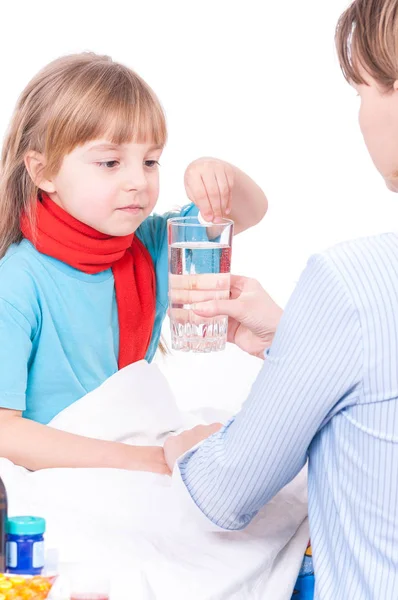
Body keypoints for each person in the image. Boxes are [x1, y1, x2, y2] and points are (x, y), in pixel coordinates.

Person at [164, 1, 398, 598]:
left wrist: (187, 448)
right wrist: (295, 338)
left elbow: (226, 491)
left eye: (363, 92)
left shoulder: (351, 281)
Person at [0, 52, 268, 475]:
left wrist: (219, 175)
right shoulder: (16, 284)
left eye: (149, 161)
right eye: (109, 163)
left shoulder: (151, 245)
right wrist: (150, 463)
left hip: (133, 444)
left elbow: (248, 213)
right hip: (58, 472)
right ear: (42, 170)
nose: (138, 181)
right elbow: (4, 432)